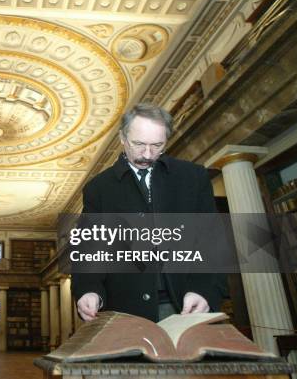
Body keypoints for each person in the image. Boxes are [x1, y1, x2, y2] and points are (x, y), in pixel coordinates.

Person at [71, 103, 224, 322]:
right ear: (123, 138)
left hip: (185, 306)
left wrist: (203, 289)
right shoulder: (98, 189)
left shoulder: (194, 177)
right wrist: (89, 289)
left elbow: (212, 241)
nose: (148, 154)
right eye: (139, 144)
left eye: (157, 145)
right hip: (125, 311)